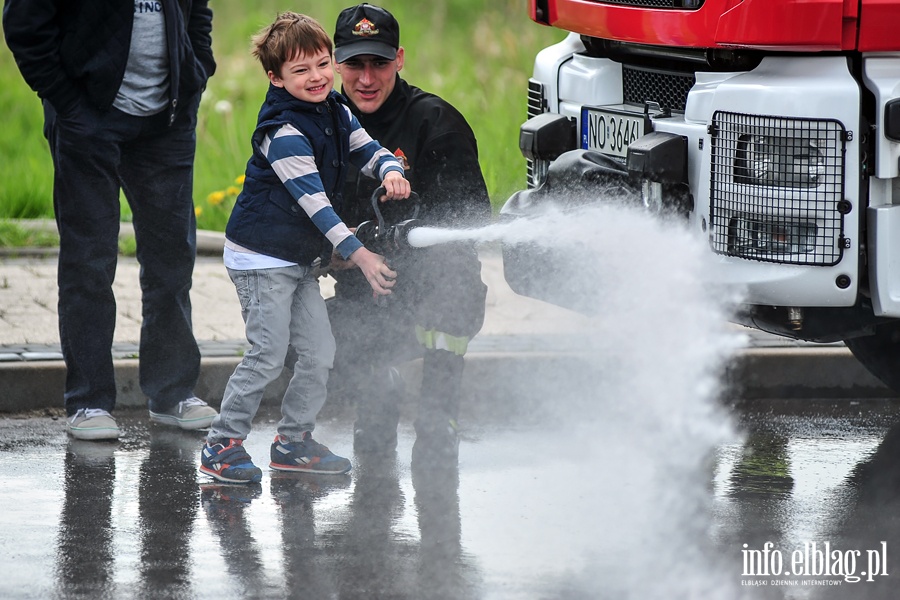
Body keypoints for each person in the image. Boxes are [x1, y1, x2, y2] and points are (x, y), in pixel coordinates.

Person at [199, 12, 410, 484]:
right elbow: (317, 206)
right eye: (300, 70)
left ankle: (292, 442)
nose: (316, 77)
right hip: (261, 257)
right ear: (274, 78)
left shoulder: (334, 108)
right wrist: (361, 255)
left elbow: (367, 146)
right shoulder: (284, 132)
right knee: (268, 353)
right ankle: (220, 444)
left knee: (320, 352)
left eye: (321, 64)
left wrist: (389, 169)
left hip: (297, 258)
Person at [3, 0, 219, 441]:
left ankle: (173, 392)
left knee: (172, 258)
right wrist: (66, 102)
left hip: (168, 119)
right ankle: (88, 401)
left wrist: (195, 73)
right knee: (90, 260)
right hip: (88, 116)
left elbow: (198, 11)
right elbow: (24, 23)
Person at [329, 3, 491, 465]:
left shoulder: (435, 121)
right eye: (354, 64)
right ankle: (377, 387)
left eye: (378, 63)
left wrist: (401, 233)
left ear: (398, 59)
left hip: (425, 287)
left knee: (454, 285)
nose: (366, 78)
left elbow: (469, 219)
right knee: (289, 341)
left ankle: (439, 416)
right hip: (362, 292)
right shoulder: (319, 124)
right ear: (336, 62)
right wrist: (333, 250)